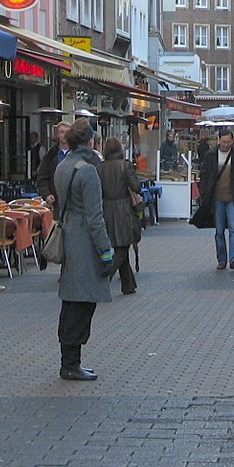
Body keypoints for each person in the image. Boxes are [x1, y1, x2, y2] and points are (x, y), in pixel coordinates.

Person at [51, 118, 115, 381]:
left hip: (69, 236)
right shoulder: (87, 171)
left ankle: (69, 360)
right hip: (84, 243)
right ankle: (71, 363)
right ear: (90, 141)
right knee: (82, 303)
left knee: (72, 300)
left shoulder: (63, 166)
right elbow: (95, 217)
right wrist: (106, 252)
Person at [197, 129, 234, 270]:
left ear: (232, 141)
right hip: (217, 199)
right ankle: (222, 260)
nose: (226, 145)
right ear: (218, 140)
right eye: (223, 142)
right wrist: (204, 192)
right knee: (219, 231)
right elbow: (204, 175)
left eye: (229, 142)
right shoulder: (210, 155)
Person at [96, 137, 143, 294]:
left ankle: (128, 285)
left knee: (119, 245)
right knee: (122, 248)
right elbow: (135, 186)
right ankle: (104, 277)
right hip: (124, 209)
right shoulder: (125, 165)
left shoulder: (99, 168)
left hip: (107, 208)